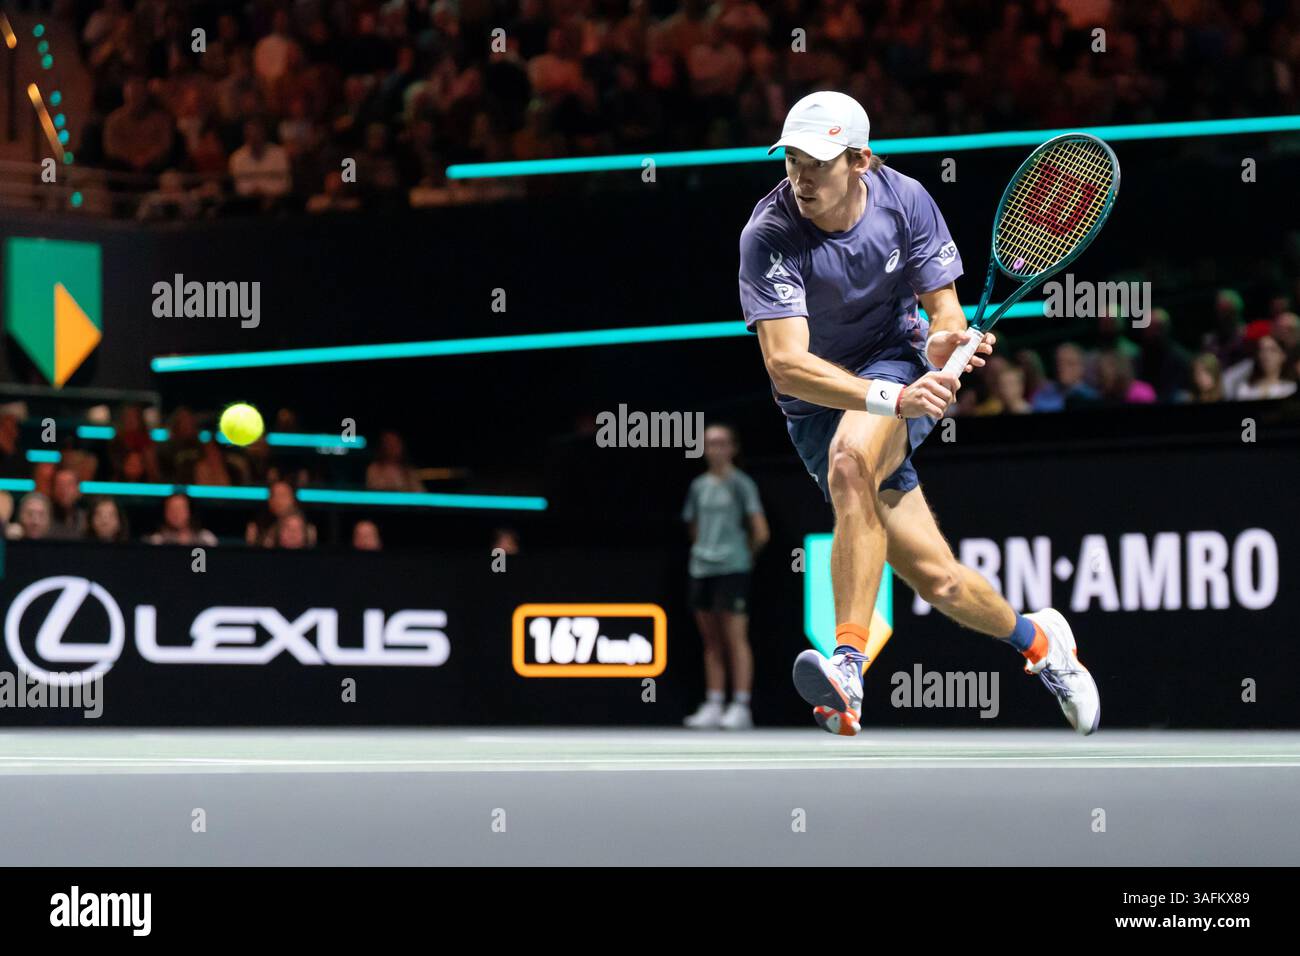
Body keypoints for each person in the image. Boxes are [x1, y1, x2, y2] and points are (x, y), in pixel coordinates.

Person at [739, 91, 1099, 736]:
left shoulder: (904, 200)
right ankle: (1043, 643)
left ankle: (848, 665)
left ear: (860, 160)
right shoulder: (769, 233)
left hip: (893, 362)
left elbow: (944, 314)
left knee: (853, 464)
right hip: (816, 406)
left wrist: (944, 347)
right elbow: (786, 366)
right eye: (792, 160)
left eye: (817, 162)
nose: (801, 177)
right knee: (940, 581)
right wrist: (891, 399)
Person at [680, 424, 769, 730]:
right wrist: (706, 551)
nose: (715, 449)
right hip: (702, 569)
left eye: (721, 443)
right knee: (711, 641)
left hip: (733, 569)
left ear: (732, 448)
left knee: (735, 639)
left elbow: (760, 532)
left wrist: (741, 557)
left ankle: (741, 705)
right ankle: (714, 703)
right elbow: (693, 529)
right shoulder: (698, 487)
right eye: (710, 443)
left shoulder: (742, 485)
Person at [1236, 334, 1298, 400]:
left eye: (1272, 350)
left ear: (1283, 355)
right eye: (1262, 350)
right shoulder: (1245, 388)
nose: (1266, 356)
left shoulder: (1291, 388)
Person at [146, 493, 218, 546]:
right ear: (165, 513)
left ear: (190, 512)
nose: (176, 514)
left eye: (180, 509)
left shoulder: (206, 539)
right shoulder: (156, 542)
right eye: (172, 510)